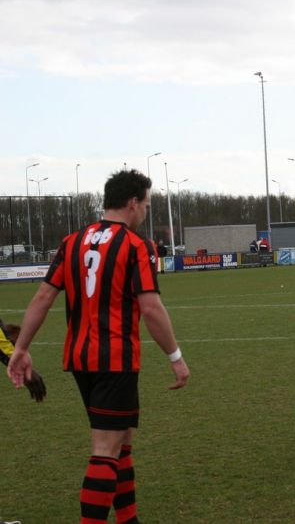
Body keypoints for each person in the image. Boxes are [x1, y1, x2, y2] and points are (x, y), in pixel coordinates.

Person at [6, 169, 190, 524]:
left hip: (80, 359)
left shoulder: (72, 242)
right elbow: (151, 308)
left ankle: (128, 519)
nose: (146, 212)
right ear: (132, 203)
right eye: (147, 205)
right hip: (115, 359)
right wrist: (175, 357)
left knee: (121, 440)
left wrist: (22, 347)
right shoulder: (136, 246)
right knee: (105, 450)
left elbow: (43, 296)